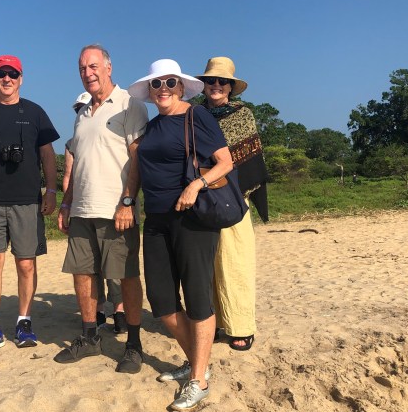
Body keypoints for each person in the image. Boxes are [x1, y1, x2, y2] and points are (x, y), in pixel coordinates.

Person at [128, 58, 233, 410]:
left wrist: (196, 185)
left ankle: (198, 380)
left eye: (170, 82)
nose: (163, 89)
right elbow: (138, 166)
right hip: (157, 220)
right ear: (149, 90)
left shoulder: (197, 116)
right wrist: (127, 199)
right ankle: (196, 363)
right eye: (156, 84)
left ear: (181, 86)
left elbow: (226, 161)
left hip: (193, 219)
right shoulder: (153, 126)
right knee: (162, 301)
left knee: (197, 298)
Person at [55, 44, 148, 374]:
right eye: (82, 68)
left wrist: (127, 202)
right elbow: (78, 164)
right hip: (82, 209)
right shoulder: (82, 114)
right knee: (82, 274)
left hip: (115, 209)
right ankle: (90, 337)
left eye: (93, 66)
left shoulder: (129, 104)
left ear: (108, 67)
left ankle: (133, 344)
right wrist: (66, 203)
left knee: (126, 276)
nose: (88, 73)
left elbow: (137, 157)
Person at [0, 55, 59, 353]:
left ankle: (24, 322)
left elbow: (47, 154)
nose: (7, 79)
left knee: (26, 264)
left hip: (27, 202)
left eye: (13, 74)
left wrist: (51, 190)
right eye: (1, 73)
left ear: (21, 78)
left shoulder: (35, 112)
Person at [197, 56, 269, 352]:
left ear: (230, 86)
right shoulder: (195, 114)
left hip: (233, 196)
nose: (216, 85)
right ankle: (214, 322)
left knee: (234, 261)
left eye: (222, 81)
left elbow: (250, 160)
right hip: (202, 194)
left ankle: (240, 326)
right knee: (207, 264)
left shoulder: (242, 115)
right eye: (210, 80)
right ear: (204, 84)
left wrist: (235, 192)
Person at [63, 92, 126, 334]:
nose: (82, 110)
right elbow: (69, 175)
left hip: (109, 203)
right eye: (78, 108)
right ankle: (98, 310)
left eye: (84, 105)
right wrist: (67, 204)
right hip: (84, 205)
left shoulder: (114, 127)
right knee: (90, 268)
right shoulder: (73, 142)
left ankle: (119, 311)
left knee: (115, 268)